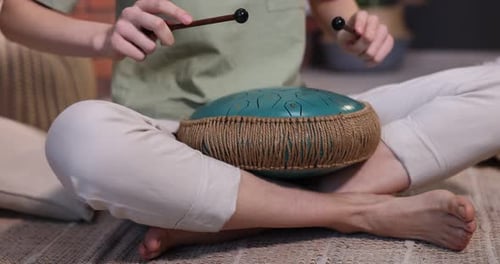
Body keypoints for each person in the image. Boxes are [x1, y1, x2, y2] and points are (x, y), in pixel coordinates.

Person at [2, 0, 494, 260]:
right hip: (175, 135)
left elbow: (332, 7)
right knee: (78, 133)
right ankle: (355, 210)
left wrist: (350, 28)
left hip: (308, 128)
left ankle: (241, 214)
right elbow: (15, 12)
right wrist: (102, 36)